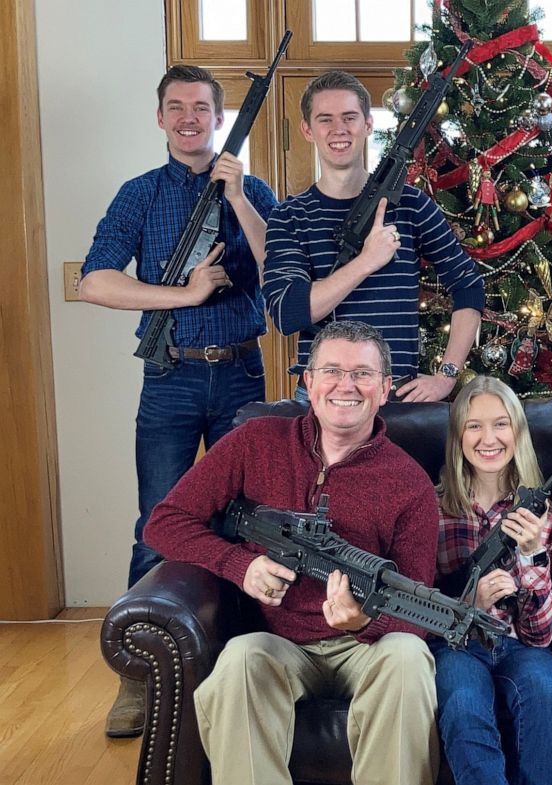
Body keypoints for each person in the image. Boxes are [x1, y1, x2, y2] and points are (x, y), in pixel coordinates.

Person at [142, 321, 440, 785]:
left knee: (408, 656)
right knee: (239, 659)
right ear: (308, 381)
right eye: (332, 371)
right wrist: (240, 565)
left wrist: (366, 621)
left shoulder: (411, 484)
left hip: (369, 649)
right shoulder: (255, 442)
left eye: (363, 374)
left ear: (385, 389)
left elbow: (419, 605)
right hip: (277, 643)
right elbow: (164, 523)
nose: (346, 385)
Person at [79, 64, 277, 738]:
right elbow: (96, 282)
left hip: (243, 378)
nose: (190, 117)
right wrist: (183, 296)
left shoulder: (251, 189)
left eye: (201, 107)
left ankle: (240, 667)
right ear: (160, 118)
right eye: (177, 106)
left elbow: (283, 275)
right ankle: (140, 679)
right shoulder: (138, 196)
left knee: (248, 523)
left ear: (220, 118)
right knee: (158, 523)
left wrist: (242, 197)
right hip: (171, 377)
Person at [263, 70, 484, 403]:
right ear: (307, 130)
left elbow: (468, 285)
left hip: (395, 395)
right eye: (325, 119)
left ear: (367, 125)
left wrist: (446, 377)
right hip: (325, 398)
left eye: (349, 117)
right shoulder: (289, 216)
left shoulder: (411, 205)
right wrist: (366, 261)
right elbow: (289, 313)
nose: (339, 129)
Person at [432, 376, 552, 785]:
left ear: (518, 432)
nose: (487, 438)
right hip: (456, 645)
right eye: (474, 426)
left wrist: (530, 557)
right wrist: (467, 604)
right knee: (464, 703)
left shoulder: (542, 514)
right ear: (457, 436)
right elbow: (414, 606)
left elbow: (541, 636)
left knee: (546, 691)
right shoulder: (433, 507)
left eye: (500, 424)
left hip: (518, 645)